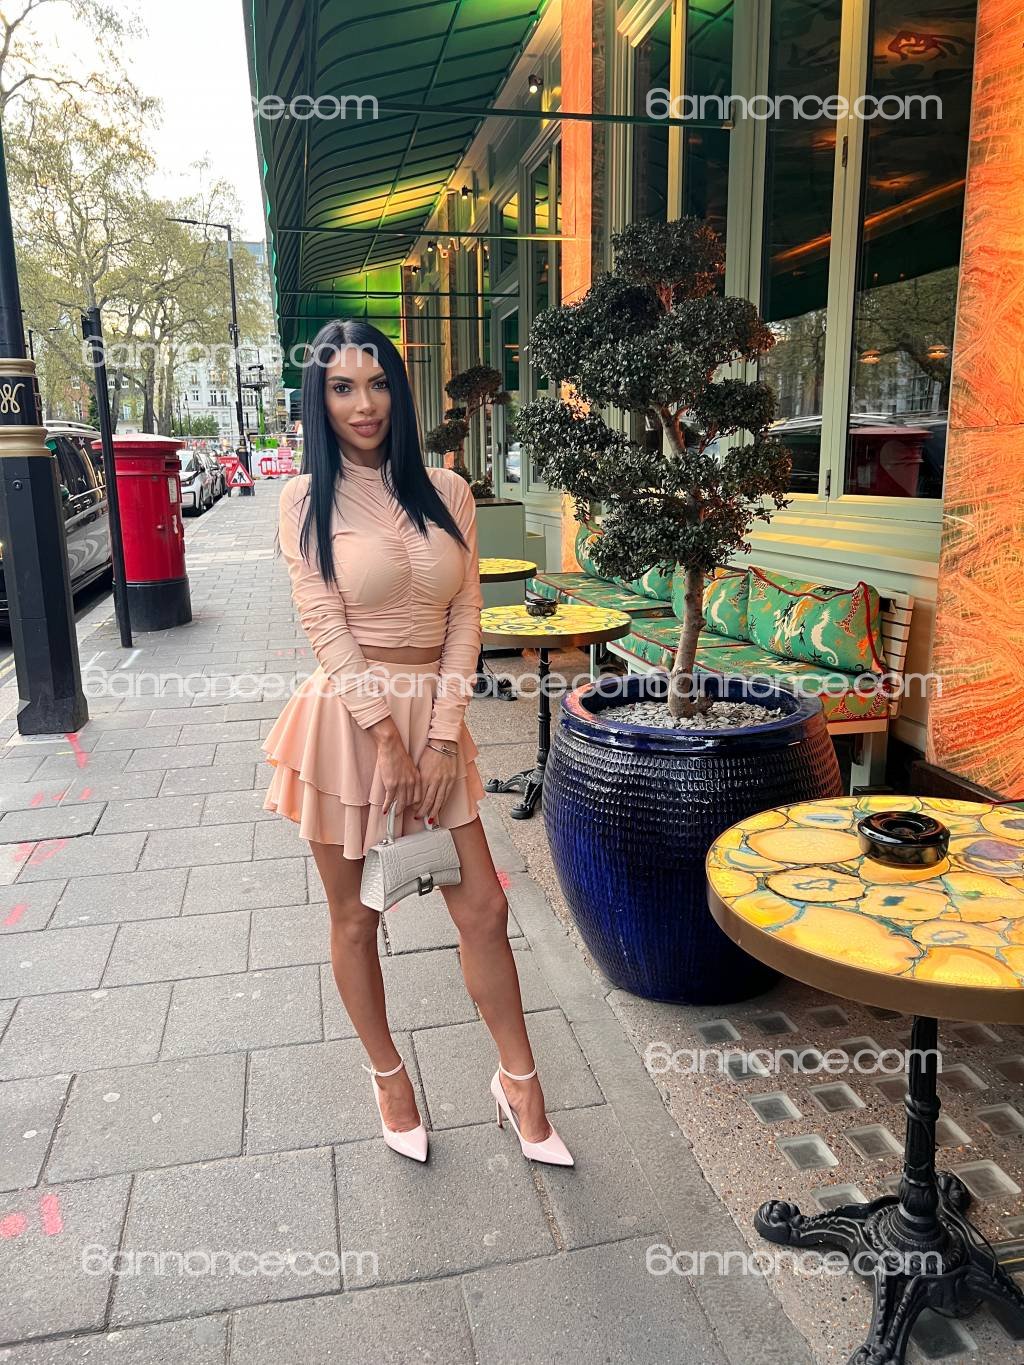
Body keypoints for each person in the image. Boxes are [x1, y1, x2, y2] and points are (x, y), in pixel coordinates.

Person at [261, 320, 573, 1169]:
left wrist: (438, 738)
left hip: (435, 721)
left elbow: (467, 614)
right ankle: (389, 1078)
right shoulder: (304, 500)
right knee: (356, 916)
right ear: (320, 400)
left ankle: (520, 1085)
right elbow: (325, 623)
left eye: (377, 384)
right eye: (342, 387)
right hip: (346, 727)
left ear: (399, 390)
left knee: (484, 909)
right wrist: (386, 742)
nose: (363, 404)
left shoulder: (448, 489)